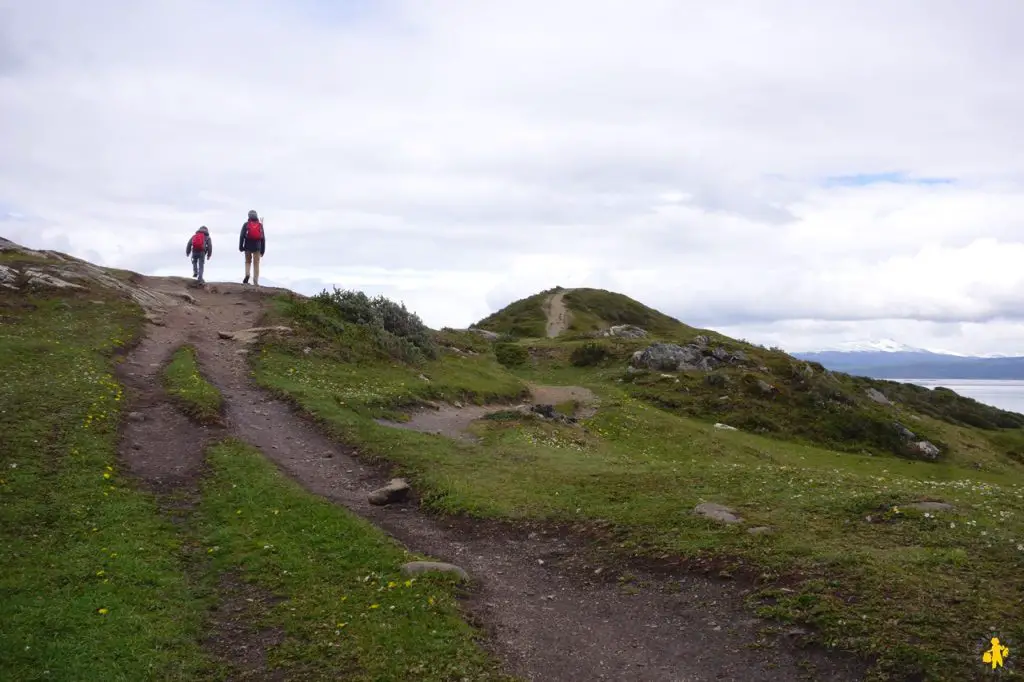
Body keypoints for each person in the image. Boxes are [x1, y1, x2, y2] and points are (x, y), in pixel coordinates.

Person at [239, 209, 266, 286]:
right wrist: (263, 250)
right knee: (256, 264)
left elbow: (241, 236)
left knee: (248, 261)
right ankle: (255, 281)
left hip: (247, 246)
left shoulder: (246, 224)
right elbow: (263, 238)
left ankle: (247, 274)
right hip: (257, 247)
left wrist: (241, 247)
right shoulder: (260, 225)